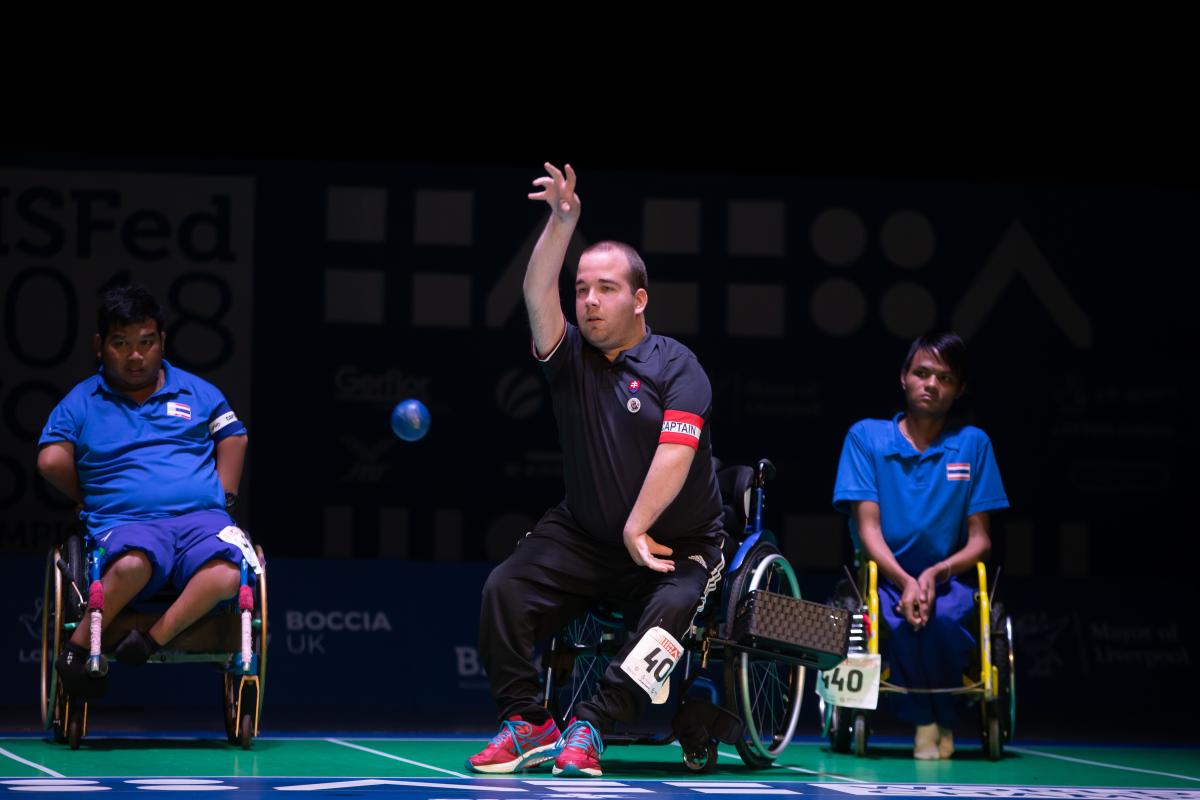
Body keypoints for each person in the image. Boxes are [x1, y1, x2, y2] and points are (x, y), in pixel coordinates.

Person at [468, 164, 727, 777]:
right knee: (503, 589)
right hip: (586, 535)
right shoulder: (569, 360)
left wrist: (638, 529)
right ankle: (529, 722)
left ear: (638, 299)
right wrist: (562, 222)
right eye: (582, 288)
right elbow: (536, 293)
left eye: (605, 289)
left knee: (669, 617)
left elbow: (675, 452)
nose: (588, 301)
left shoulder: (677, 366)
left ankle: (593, 724)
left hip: (676, 545)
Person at [37, 283, 251, 699]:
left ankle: (150, 641)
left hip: (201, 521)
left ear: (162, 342)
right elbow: (50, 460)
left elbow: (234, 439)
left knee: (229, 573)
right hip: (125, 521)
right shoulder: (81, 401)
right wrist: (90, 496)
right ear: (101, 346)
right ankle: (77, 649)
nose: (136, 356)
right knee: (133, 564)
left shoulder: (199, 392)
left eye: (146, 343)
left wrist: (223, 501)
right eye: (121, 344)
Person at [832, 332, 1008, 760]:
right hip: (882, 576)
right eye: (922, 373)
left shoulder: (973, 444)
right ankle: (929, 722)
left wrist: (932, 575)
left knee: (947, 621)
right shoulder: (866, 438)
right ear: (904, 378)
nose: (931, 383)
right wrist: (905, 579)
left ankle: (940, 719)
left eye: (945, 377)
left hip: (948, 578)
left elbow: (981, 539)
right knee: (895, 621)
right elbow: (868, 529)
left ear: (959, 388)